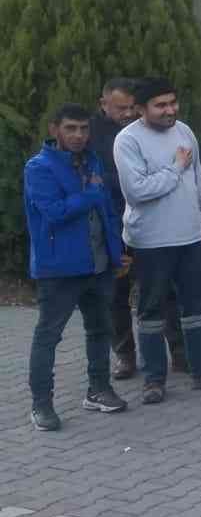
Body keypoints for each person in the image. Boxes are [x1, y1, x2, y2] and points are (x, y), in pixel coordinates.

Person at [112, 77, 201, 401]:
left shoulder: (184, 131)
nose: (170, 110)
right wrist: (175, 167)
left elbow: (198, 182)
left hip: (191, 237)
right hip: (151, 241)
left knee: (199, 307)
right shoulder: (128, 140)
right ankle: (154, 380)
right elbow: (138, 192)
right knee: (152, 310)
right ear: (141, 109)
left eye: (172, 103)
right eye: (161, 105)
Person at [23, 104, 129, 429]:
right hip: (59, 269)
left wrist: (116, 252)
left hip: (98, 265)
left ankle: (98, 390)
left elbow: (107, 212)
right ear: (54, 129)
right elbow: (55, 212)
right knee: (48, 336)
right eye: (70, 128)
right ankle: (41, 405)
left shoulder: (92, 161)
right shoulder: (39, 167)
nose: (79, 135)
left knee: (100, 329)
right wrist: (91, 194)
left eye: (83, 129)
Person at [93, 76, 180, 381]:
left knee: (164, 289)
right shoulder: (90, 134)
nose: (128, 113)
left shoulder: (150, 129)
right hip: (112, 225)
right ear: (103, 104)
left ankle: (179, 350)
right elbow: (96, 180)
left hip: (151, 222)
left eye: (132, 107)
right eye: (121, 108)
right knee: (116, 295)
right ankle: (125, 355)